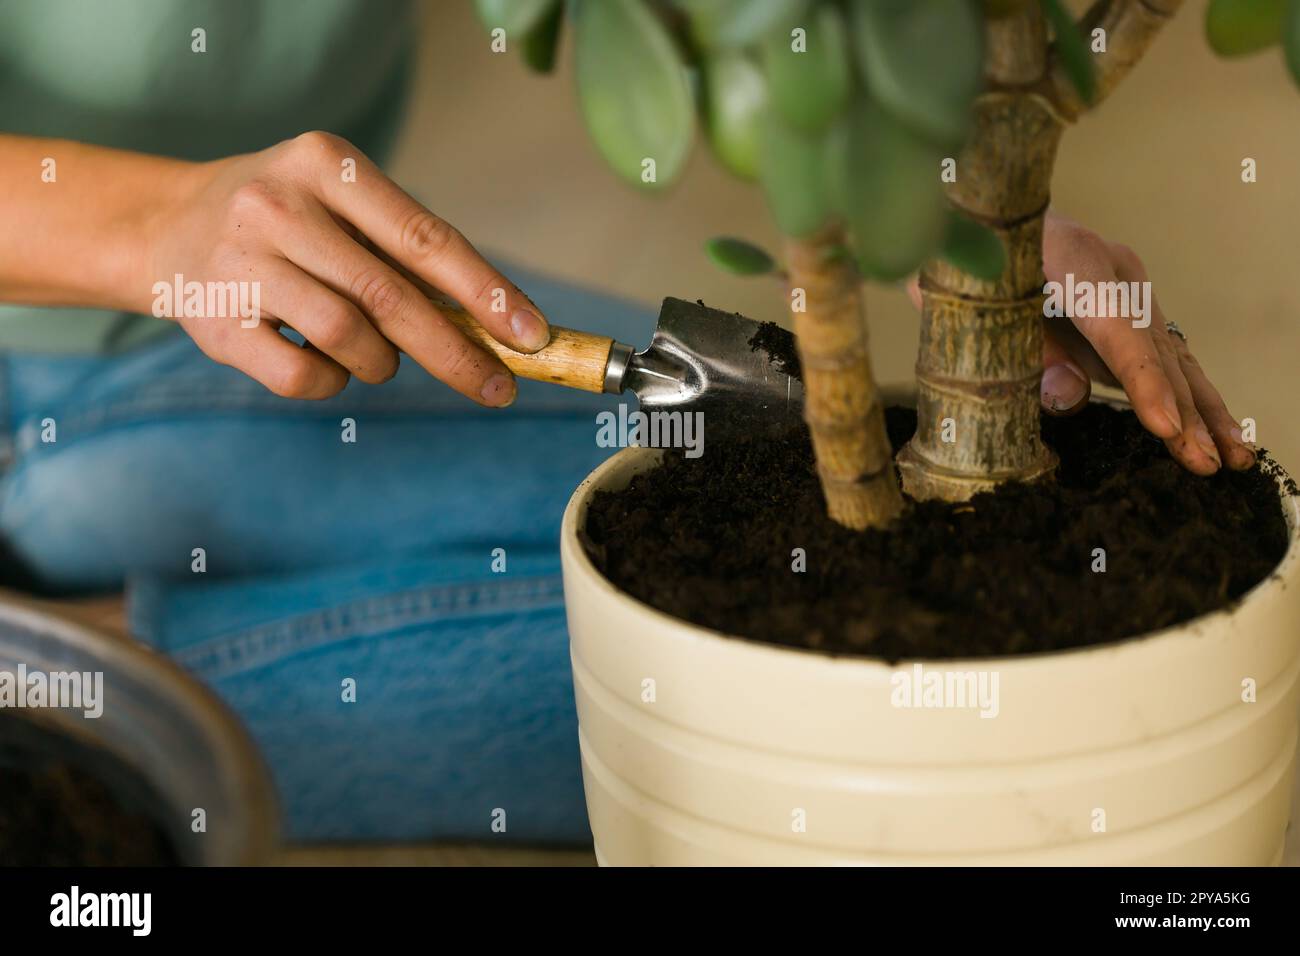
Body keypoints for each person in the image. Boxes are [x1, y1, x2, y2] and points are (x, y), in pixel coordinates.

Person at [0, 0, 1254, 844]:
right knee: (782, 716)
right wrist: (156, 229)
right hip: (40, 346)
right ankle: (64, 678)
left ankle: (102, 637)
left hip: (303, 295)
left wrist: (969, 191)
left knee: (791, 446)